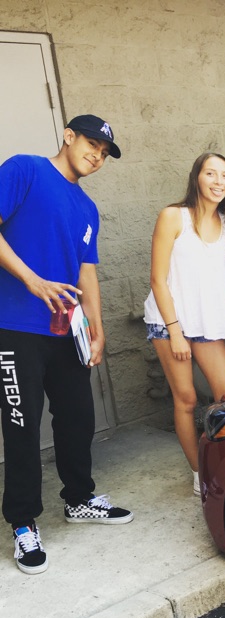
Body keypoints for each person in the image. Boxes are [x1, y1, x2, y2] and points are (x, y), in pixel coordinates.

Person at [0, 114, 132, 575]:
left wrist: (97, 326)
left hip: (66, 330)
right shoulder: (25, 170)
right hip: (15, 326)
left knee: (77, 417)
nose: (96, 155)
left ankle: (78, 499)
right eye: (91, 144)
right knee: (21, 424)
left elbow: (86, 271)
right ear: (68, 136)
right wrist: (32, 281)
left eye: (104, 152)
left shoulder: (86, 208)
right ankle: (22, 522)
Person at [144, 152, 225, 497]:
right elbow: (158, 280)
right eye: (211, 173)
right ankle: (199, 473)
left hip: (207, 322)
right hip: (169, 322)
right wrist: (175, 331)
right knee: (187, 399)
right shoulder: (173, 217)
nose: (219, 181)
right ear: (197, 178)